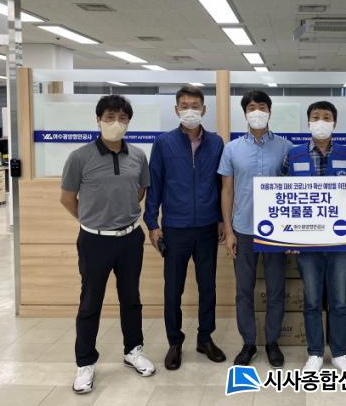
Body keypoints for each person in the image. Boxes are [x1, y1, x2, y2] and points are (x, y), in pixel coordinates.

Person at [60, 95, 155, 394]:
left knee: (131, 298)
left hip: (130, 238)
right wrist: (92, 219)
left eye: (122, 118)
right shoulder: (79, 157)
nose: (116, 122)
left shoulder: (138, 156)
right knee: (90, 302)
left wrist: (119, 214)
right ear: (98, 120)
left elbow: (139, 191)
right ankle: (85, 362)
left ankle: (133, 350)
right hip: (94, 241)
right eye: (110, 117)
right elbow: (67, 198)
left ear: (129, 122)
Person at [144, 86, 226, 370]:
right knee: (173, 290)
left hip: (206, 227)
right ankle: (174, 342)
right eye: (184, 105)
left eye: (195, 105)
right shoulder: (164, 143)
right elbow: (154, 183)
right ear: (176, 109)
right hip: (175, 228)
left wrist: (221, 219)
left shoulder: (216, 143)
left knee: (208, 287)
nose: (190, 110)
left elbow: (221, 185)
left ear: (204, 109)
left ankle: (205, 338)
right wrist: (152, 223)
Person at [281, 101, 346, 373]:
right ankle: (315, 352)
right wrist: (287, 237)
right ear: (308, 122)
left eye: (326, 117)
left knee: (339, 301)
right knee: (312, 300)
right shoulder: (294, 155)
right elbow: (283, 196)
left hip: (339, 241)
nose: (321, 121)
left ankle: (339, 353)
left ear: (334, 122)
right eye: (316, 117)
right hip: (307, 243)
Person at [218, 90, 294, 367]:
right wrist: (229, 230)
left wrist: (293, 234)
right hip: (243, 229)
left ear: (269, 111)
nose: (257, 112)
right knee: (244, 290)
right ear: (245, 113)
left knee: (276, 289)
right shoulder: (232, 148)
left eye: (262, 107)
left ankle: (272, 342)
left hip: (276, 232)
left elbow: (294, 189)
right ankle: (248, 343)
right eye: (252, 108)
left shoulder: (286, 148)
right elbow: (227, 190)